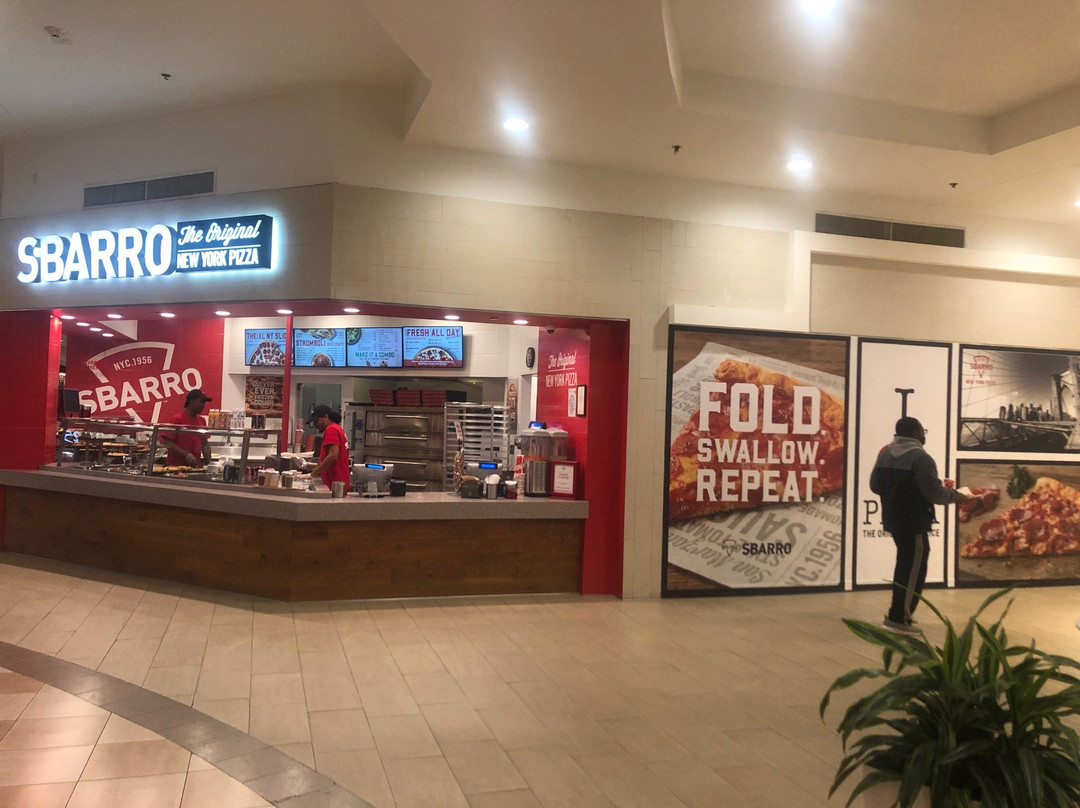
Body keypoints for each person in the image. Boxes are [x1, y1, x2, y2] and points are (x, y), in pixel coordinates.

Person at [869, 416, 972, 633]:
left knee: (904, 565)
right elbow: (935, 494)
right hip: (914, 520)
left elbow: (875, 486)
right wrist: (960, 496)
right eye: (922, 430)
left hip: (892, 518)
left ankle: (901, 613)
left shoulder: (885, 453)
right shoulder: (921, 458)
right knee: (913, 569)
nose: (924, 434)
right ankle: (898, 618)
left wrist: (897, 491)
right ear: (916, 433)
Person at [160, 389, 213, 467]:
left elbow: (204, 443)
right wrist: (186, 455)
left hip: (194, 468)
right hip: (175, 467)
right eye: (201, 402)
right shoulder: (177, 419)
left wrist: (209, 462)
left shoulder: (202, 421)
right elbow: (167, 442)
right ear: (191, 401)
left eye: (204, 402)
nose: (203, 405)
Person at [302, 404, 350, 490]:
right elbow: (336, 459)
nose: (315, 425)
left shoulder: (331, 429)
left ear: (325, 417)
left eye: (316, 421)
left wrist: (312, 474)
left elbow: (333, 456)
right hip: (340, 482)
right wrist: (315, 466)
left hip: (335, 483)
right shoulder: (338, 428)